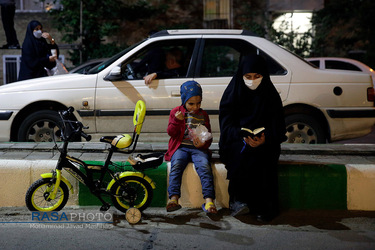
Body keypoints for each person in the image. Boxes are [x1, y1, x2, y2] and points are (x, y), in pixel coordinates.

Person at [219, 55, 286, 222]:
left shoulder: (270, 96)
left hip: (265, 142)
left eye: (257, 76)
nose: (252, 81)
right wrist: (241, 134)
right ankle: (238, 200)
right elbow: (226, 126)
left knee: (263, 156)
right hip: (237, 141)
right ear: (241, 75)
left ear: (264, 75)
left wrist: (265, 139)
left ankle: (263, 206)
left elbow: (279, 127)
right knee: (242, 153)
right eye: (248, 77)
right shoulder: (233, 93)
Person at [165, 80, 217, 214]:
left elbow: (208, 136)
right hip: (181, 147)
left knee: (205, 167)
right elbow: (171, 132)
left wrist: (203, 143)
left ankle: (209, 201)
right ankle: (173, 198)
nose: (195, 107)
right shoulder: (176, 112)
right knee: (177, 165)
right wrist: (177, 120)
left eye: (198, 103)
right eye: (191, 103)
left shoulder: (203, 115)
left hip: (198, 149)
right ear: (184, 101)